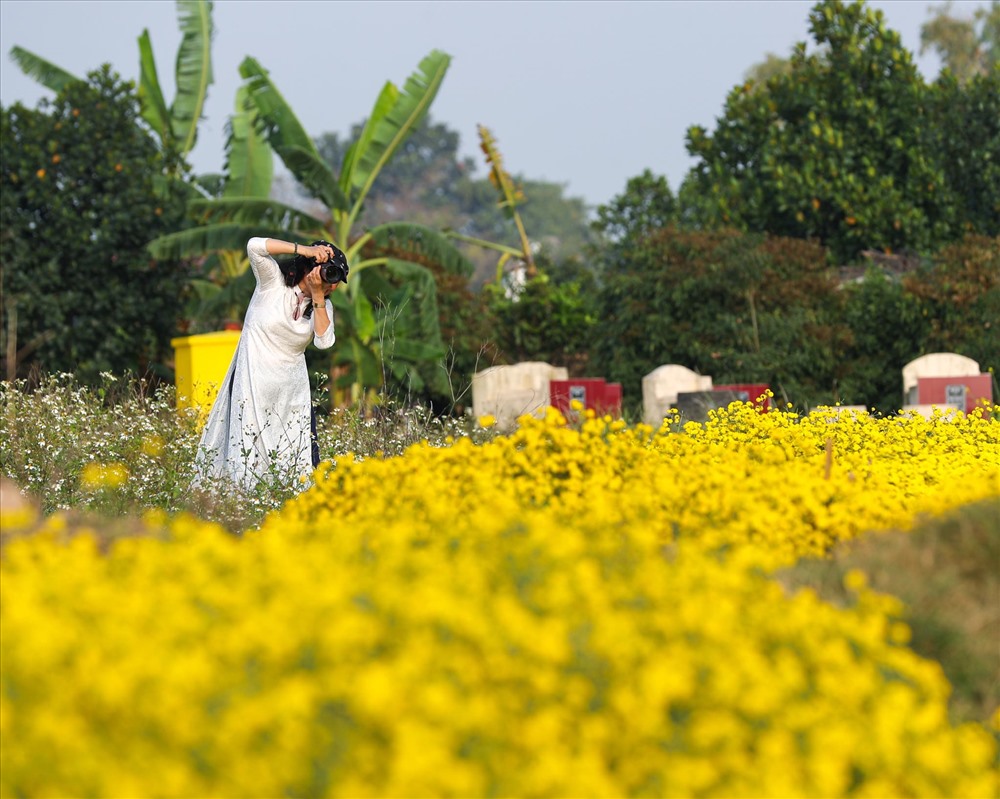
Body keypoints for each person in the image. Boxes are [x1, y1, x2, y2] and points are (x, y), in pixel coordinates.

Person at [194, 237, 339, 490]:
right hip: (252, 388)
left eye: (335, 277)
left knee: (294, 467)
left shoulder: (322, 306)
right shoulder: (271, 283)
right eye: (328, 271)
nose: (332, 283)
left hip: (291, 399)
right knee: (246, 461)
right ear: (307, 266)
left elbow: (324, 341)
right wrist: (308, 250)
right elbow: (253, 246)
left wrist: (317, 294)